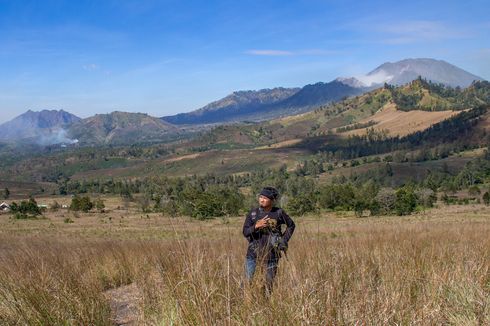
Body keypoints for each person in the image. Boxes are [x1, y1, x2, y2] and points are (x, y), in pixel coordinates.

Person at [242, 186, 295, 293]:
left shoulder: (279, 213)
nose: (262, 200)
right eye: (261, 197)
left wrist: (283, 240)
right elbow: (245, 232)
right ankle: (242, 301)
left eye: (265, 198)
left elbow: (291, 225)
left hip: (272, 255)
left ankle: (266, 303)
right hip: (253, 254)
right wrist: (256, 226)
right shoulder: (253, 213)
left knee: (269, 284)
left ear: (272, 200)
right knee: (247, 281)